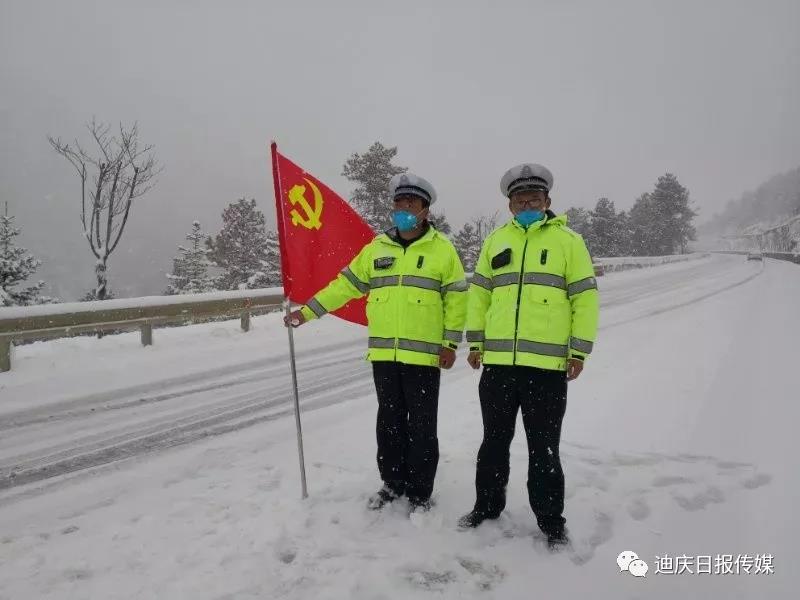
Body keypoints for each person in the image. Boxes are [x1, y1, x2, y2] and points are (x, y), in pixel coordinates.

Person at [284, 173, 468, 513]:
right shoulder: (377, 249)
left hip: (424, 356)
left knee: (422, 425)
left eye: (411, 204)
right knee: (390, 421)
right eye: (399, 203)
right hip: (384, 354)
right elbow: (345, 286)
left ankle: (420, 491)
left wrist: (450, 343)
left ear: (426, 210)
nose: (403, 209)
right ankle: (392, 482)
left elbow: (456, 300)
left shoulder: (442, 250)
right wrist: (308, 311)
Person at [457, 163, 599, 549]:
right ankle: (486, 507)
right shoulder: (495, 242)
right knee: (493, 443)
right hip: (499, 367)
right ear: (510, 205)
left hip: (546, 370)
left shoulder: (569, 242)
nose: (527, 203)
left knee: (544, 448)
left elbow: (584, 299)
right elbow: (480, 295)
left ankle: (551, 521)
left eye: (534, 198)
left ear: (548, 201)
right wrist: (477, 343)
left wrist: (579, 350)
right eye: (520, 199)